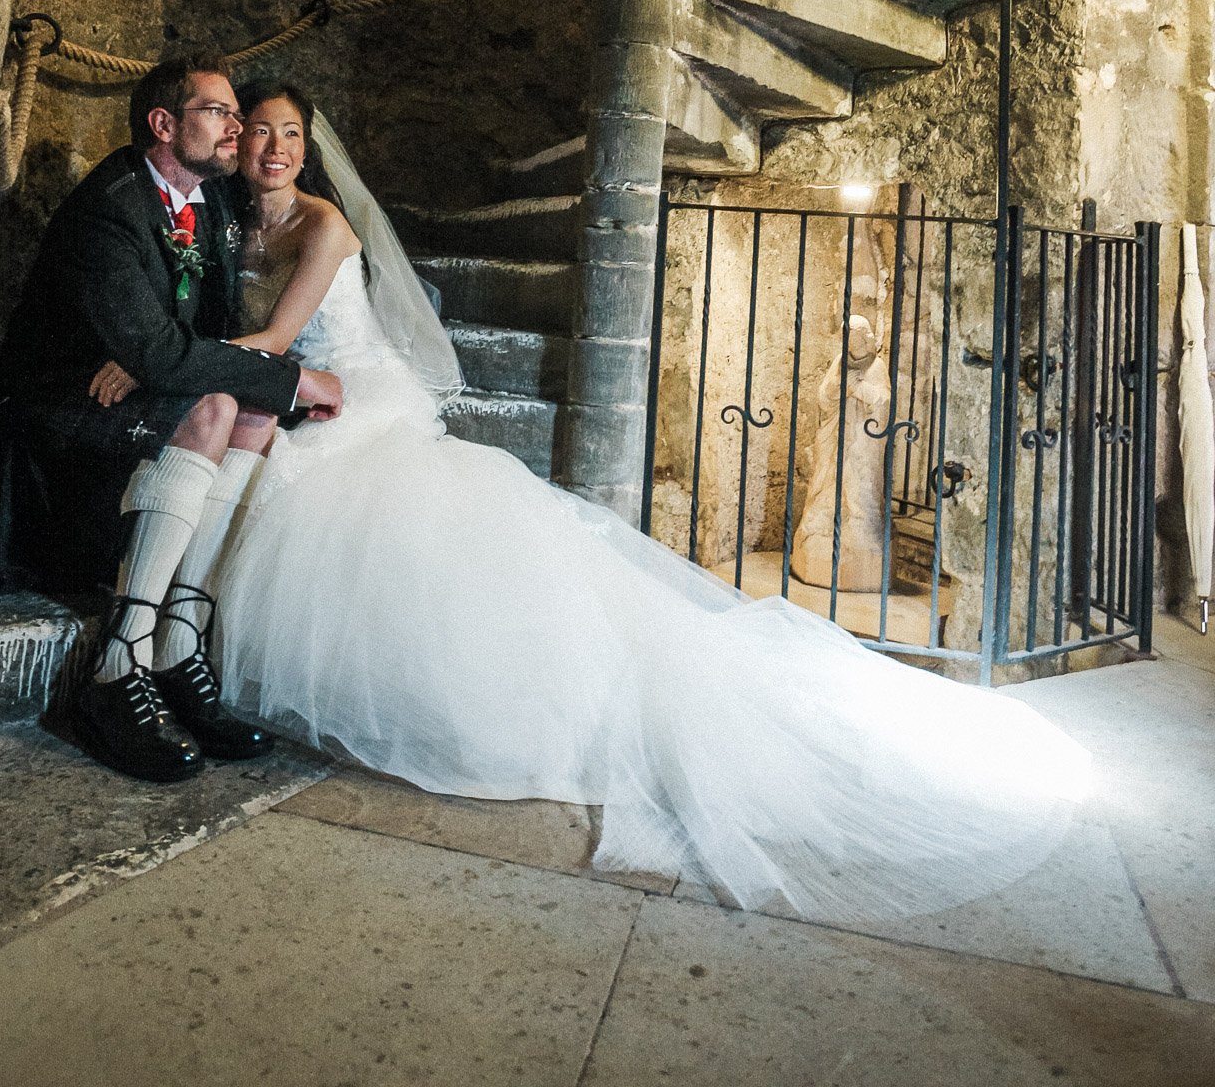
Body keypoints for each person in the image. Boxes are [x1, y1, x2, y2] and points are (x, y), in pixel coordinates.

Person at [207, 79, 1093, 927]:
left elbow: (277, 339)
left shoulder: (324, 224)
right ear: (238, 140)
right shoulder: (233, 222)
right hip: (297, 392)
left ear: (309, 149)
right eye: (262, 131)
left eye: (292, 134)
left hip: (352, 395)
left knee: (327, 508)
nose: (275, 148)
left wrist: (165, 365)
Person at [0, 55, 344, 784]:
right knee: (215, 406)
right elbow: (163, 353)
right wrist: (292, 378)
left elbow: (194, 335)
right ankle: (117, 662)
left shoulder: (207, 201)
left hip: (130, 380)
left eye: (236, 115)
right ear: (164, 124)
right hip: (59, 401)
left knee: (254, 415)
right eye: (220, 114)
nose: (237, 129)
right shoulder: (110, 207)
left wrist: (165, 362)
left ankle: (177, 644)